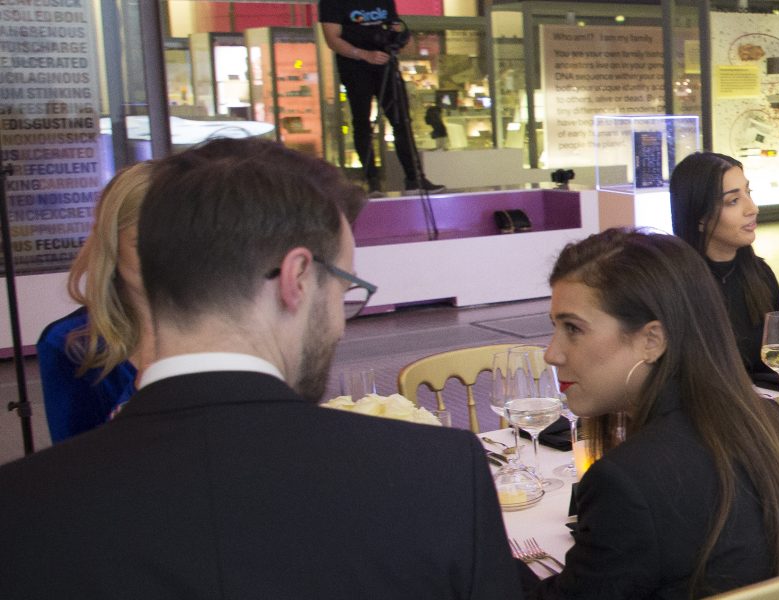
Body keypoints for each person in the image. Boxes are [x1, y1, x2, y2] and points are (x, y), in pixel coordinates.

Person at [0, 138, 520, 598]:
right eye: (343, 289)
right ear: (296, 278)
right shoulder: (438, 474)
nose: (340, 323)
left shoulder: (23, 508)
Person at [534, 229, 779, 598]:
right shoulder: (768, 422)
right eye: (555, 327)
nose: (551, 353)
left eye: (573, 328)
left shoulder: (626, 482)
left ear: (651, 341)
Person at [38, 163, 154, 442]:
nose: (161, 257)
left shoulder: (218, 324)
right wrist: (140, 396)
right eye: (142, 243)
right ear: (111, 246)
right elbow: (76, 464)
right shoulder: (71, 343)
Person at [669, 152, 779, 376]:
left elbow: (778, 359)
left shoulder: (760, 274)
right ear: (700, 217)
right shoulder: (673, 284)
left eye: (748, 193)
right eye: (733, 201)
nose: (752, 209)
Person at [319, 0, 443, 193]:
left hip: (386, 65)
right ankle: (372, 179)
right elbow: (332, 39)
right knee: (362, 123)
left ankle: (415, 178)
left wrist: (399, 35)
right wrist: (363, 54)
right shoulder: (333, 3)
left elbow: (395, 26)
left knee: (402, 120)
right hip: (355, 67)